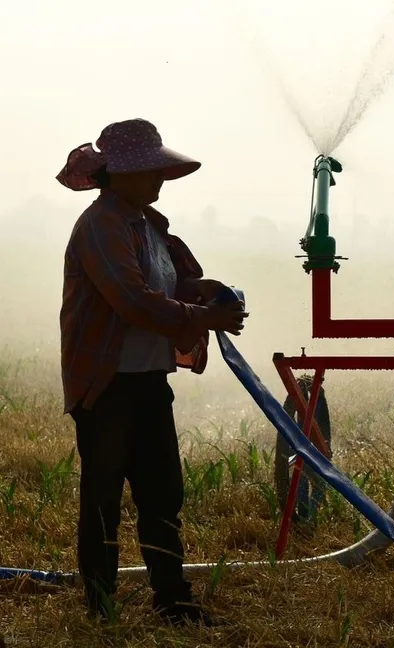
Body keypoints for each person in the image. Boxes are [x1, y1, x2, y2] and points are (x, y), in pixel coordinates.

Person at [56, 118, 248, 625]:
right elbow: (134, 300)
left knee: (162, 494)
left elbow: (163, 290)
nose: (160, 178)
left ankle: (173, 600)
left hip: (148, 379)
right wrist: (204, 318)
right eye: (150, 169)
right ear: (118, 174)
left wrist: (199, 291)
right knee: (103, 499)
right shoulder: (101, 226)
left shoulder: (147, 226)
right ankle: (101, 609)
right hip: (108, 385)